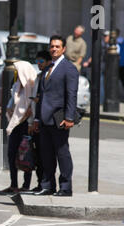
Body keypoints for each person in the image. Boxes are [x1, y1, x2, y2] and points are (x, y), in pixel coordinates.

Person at [33, 35, 78, 197]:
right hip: (44, 119)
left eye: (57, 46)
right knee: (46, 154)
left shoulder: (69, 68)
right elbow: (41, 96)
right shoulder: (47, 68)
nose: (54, 49)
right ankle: (47, 185)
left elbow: (71, 94)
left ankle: (65, 187)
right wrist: (37, 118)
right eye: (52, 46)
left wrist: (70, 117)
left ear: (64, 49)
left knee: (62, 153)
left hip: (59, 118)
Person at [1, 61, 37, 194]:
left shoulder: (32, 86)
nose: (16, 73)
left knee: (26, 154)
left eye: (18, 71)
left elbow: (31, 107)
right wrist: (10, 110)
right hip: (15, 124)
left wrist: (28, 120)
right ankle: (13, 184)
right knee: (12, 154)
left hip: (26, 124)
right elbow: (12, 102)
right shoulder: (16, 85)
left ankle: (26, 185)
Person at [26, 50, 53, 194]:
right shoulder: (38, 76)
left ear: (48, 62)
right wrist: (31, 121)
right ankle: (40, 183)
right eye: (37, 61)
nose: (39, 64)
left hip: (44, 121)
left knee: (44, 155)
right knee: (37, 155)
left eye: (41, 61)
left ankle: (45, 184)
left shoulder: (47, 77)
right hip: (36, 120)